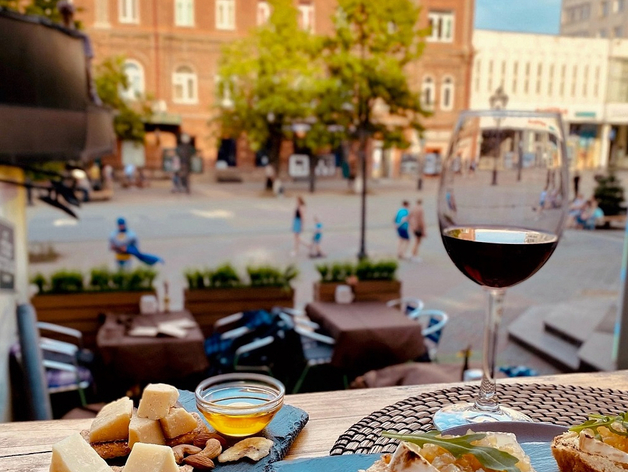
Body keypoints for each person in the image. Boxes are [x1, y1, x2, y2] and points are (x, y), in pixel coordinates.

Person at [57, 1, 101, 105]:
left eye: (68, 13)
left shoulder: (81, 37)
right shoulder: (56, 34)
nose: (66, 17)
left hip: (76, 82)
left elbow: (87, 64)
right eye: (64, 13)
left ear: (72, 15)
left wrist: (90, 89)